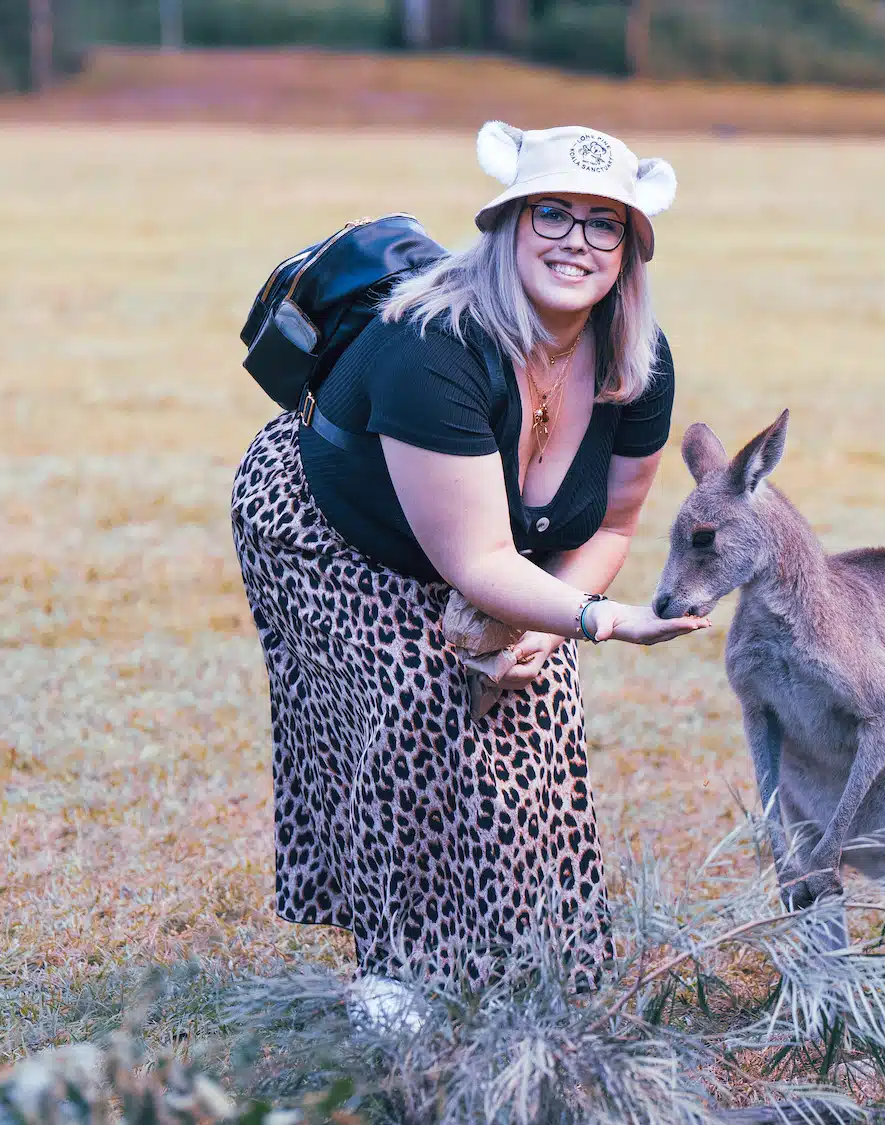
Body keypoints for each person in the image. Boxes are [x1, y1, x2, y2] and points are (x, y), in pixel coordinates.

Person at [229, 122, 709, 1018]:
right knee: (417, 691)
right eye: (552, 213)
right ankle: (398, 973)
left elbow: (610, 521)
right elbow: (475, 560)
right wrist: (600, 620)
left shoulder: (638, 362)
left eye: (604, 223)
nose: (576, 239)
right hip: (325, 524)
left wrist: (537, 623)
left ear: (631, 251)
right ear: (508, 224)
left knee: (536, 696)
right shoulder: (435, 343)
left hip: (487, 549)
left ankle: (548, 962)